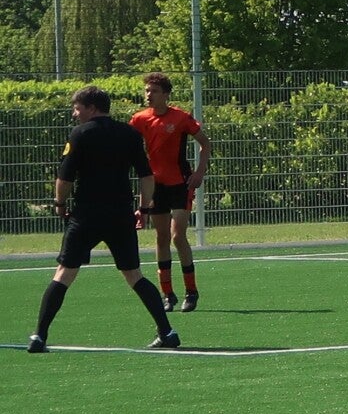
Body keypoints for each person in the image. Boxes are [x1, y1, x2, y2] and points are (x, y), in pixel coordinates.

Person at [27, 85, 180, 353]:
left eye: (77, 108)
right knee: (134, 275)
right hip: (120, 215)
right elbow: (146, 176)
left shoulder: (80, 134)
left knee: (64, 274)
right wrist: (144, 209)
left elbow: (65, 177)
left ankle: (39, 337)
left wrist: (60, 204)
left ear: (91, 108)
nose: (75, 114)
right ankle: (167, 332)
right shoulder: (130, 134)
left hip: (86, 215)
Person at [128, 72, 212, 311]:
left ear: (165, 95)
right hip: (156, 186)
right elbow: (127, 144)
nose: (148, 95)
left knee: (178, 236)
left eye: (154, 91)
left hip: (180, 184)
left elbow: (205, 143)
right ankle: (167, 294)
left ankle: (191, 291)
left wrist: (199, 172)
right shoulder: (140, 119)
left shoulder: (181, 118)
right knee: (161, 237)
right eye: (147, 90)